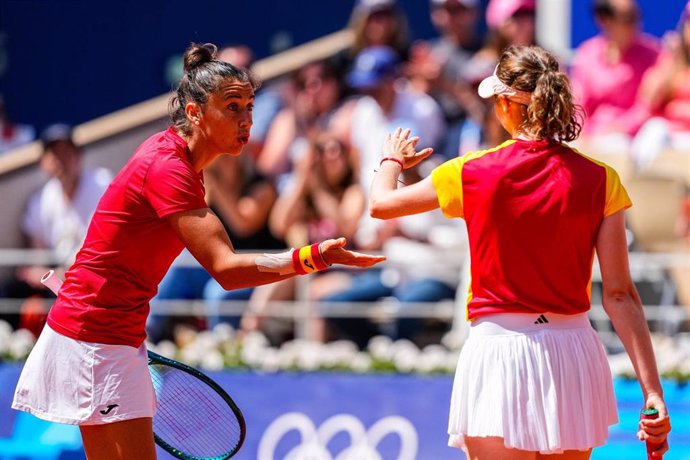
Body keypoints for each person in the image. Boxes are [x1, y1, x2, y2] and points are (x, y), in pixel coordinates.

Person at [11, 43, 384, 460]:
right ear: (194, 113)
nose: (247, 120)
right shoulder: (168, 168)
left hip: (116, 333)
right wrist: (312, 258)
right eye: (232, 108)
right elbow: (226, 268)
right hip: (93, 333)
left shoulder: (182, 162)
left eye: (249, 106)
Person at [368, 45, 671, 459]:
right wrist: (652, 392)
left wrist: (391, 159)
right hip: (573, 351)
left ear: (508, 104)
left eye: (496, 100)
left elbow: (380, 205)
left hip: (498, 351)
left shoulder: (470, 171)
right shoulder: (602, 179)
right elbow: (619, 295)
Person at [2, 124, 112, 334]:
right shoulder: (42, 199)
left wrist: (56, 274)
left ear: (78, 156)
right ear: (44, 162)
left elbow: (101, 246)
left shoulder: (100, 184)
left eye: (66, 152)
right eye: (54, 154)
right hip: (57, 278)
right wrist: (42, 273)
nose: (61, 160)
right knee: (9, 292)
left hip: (91, 276)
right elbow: (38, 254)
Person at [570, 0, 660, 151]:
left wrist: (622, 127)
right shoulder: (588, 53)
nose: (635, 23)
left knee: (615, 144)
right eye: (627, 17)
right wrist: (582, 132)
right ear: (605, 20)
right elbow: (578, 102)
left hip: (632, 138)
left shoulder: (653, 54)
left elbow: (648, 105)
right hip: (591, 133)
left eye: (636, 16)